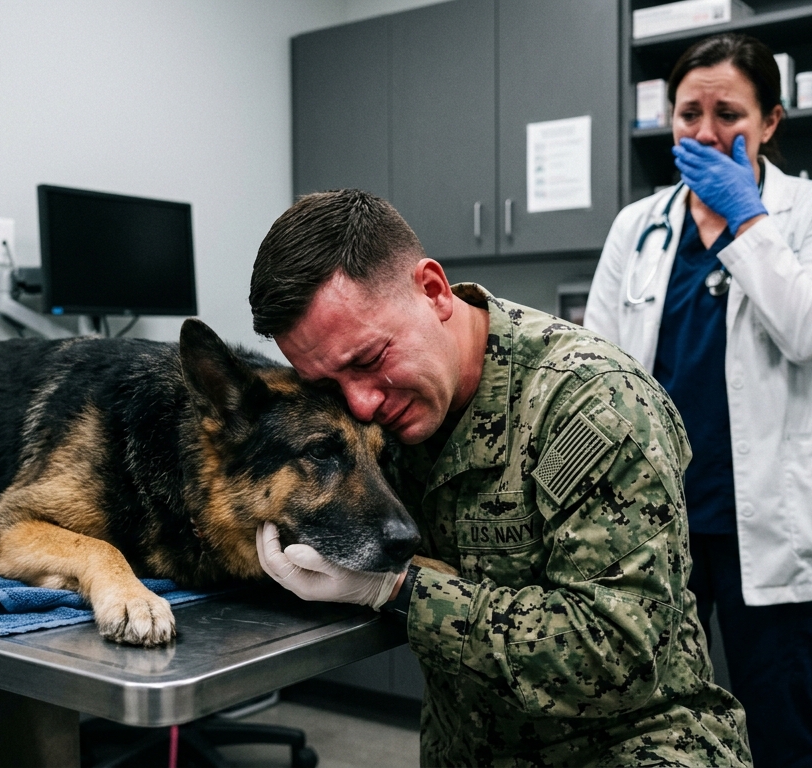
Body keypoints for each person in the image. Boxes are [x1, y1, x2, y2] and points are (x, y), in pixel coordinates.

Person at [247, 189, 751, 766]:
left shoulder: (592, 404)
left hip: (631, 748)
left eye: (368, 360)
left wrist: (399, 590)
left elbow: (618, 657)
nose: (360, 404)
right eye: (331, 384)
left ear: (434, 291)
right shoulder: (385, 417)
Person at [582, 33, 812, 768]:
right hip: (659, 526)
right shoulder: (637, 226)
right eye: (688, 113)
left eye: (727, 113)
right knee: (655, 724)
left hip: (772, 531)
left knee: (779, 731)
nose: (704, 132)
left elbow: (810, 332)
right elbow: (599, 368)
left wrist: (749, 220)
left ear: (771, 121)